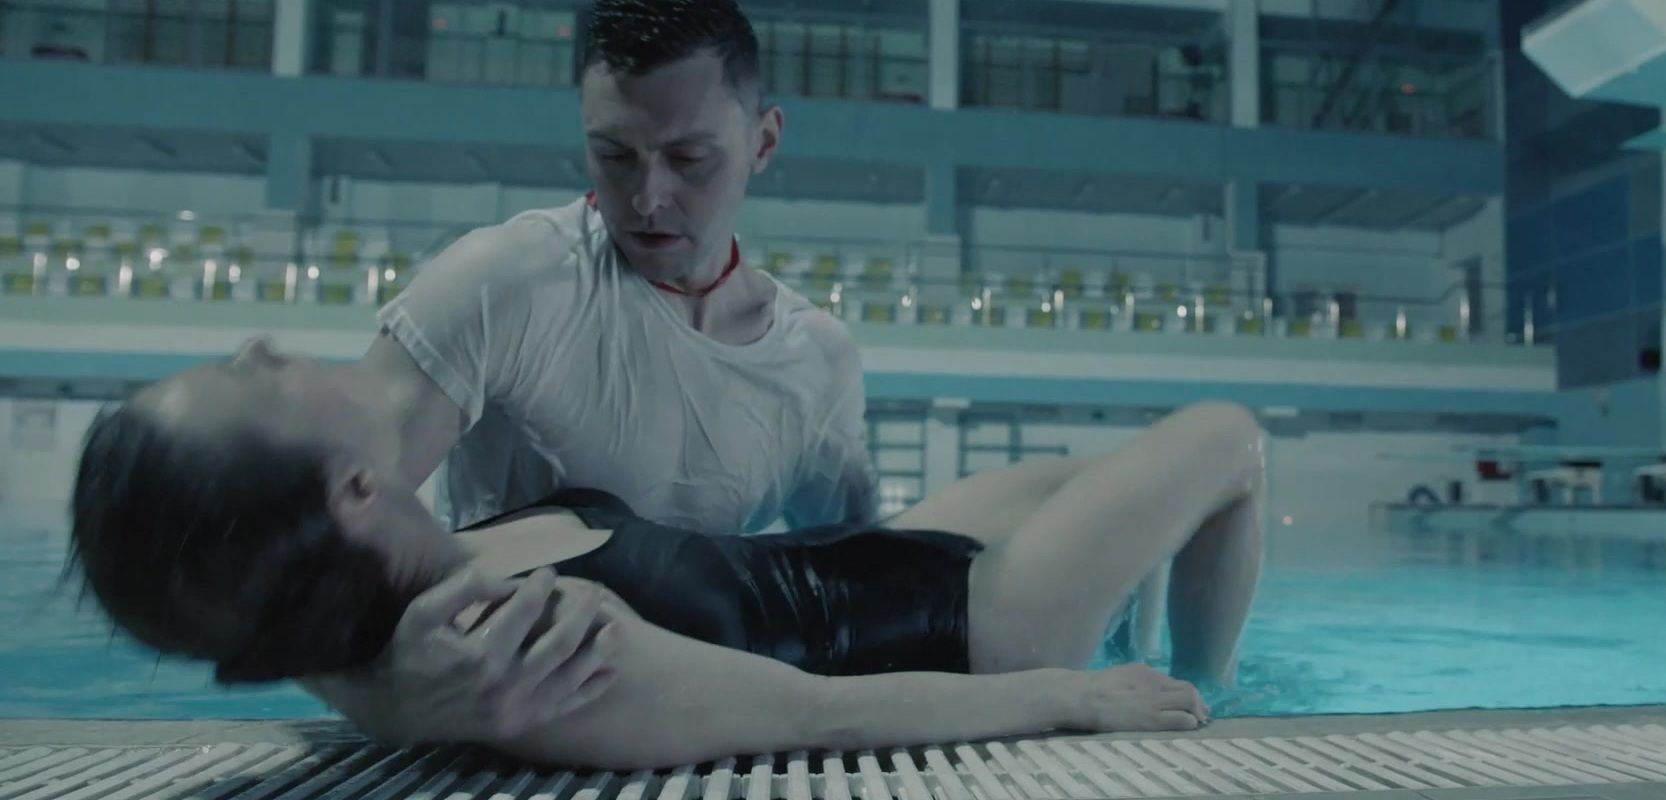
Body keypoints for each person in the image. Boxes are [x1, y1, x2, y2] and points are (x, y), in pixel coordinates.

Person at [67, 340, 1266, 769]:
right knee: (1228, 438)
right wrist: (1067, 696)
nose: (261, 344)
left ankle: (1162, 642)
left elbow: (270, 622)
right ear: (350, 493)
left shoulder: (390, 614)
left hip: (881, 555)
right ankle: (1214, 691)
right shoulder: (537, 651)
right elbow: (816, 718)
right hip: (977, 627)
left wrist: (381, 698)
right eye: (248, 374)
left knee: (1119, 471)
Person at [335, 0, 880, 743]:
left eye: (689, 159)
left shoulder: (815, 360)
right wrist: (385, 697)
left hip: (698, 733)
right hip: (503, 738)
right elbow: (313, 536)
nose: (648, 197)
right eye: (615, 155)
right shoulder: (505, 283)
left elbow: (861, 592)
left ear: (763, 141)